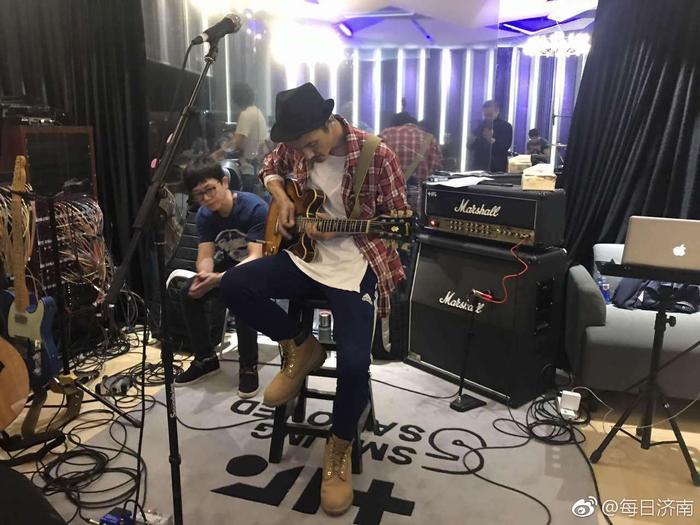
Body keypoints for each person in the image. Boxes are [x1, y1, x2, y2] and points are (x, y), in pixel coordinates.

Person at [196, 82, 408, 516]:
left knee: (354, 364)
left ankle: (338, 448)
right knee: (234, 285)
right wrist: (282, 198)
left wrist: (344, 230)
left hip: (355, 266)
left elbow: (399, 221)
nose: (306, 155)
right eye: (299, 148)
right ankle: (300, 345)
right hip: (304, 259)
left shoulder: (377, 155)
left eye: (311, 144)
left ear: (329, 122)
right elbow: (270, 165)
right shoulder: (295, 148)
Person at [173, 159, 268, 399]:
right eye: (199, 194)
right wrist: (204, 275)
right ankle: (205, 358)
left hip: (261, 269)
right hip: (228, 268)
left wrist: (219, 279)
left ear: (224, 182)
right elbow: (205, 255)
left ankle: (248, 365)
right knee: (188, 292)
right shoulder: (205, 215)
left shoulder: (254, 208)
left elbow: (256, 257)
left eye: (210, 190)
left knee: (240, 293)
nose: (205, 198)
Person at [214, 82, 270, 197]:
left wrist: (216, 154)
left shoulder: (246, 114)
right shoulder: (257, 111)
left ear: (237, 98)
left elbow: (237, 141)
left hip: (250, 170)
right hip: (258, 167)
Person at [380, 111, 442, 214]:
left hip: (388, 208)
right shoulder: (429, 139)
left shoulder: (384, 135)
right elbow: (436, 171)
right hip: (419, 206)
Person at [468, 100, 513, 172]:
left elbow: (504, 147)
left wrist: (489, 139)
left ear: (497, 111)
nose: (487, 117)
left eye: (490, 114)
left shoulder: (505, 126)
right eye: (485, 115)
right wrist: (471, 140)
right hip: (478, 165)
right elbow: (470, 147)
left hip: (496, 166)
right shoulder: (480, 125)